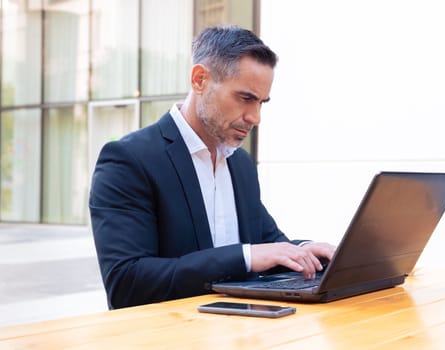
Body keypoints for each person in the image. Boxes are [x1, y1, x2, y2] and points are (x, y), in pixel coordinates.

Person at [89, 25, 336, 309]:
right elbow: (127, 283)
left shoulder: (240, 163)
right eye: (245, 98)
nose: (255, 117)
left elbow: (269, 245)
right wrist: (245, 257)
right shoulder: (129, 160)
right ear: (200, 80)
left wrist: (306, 251)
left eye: (261, 102)